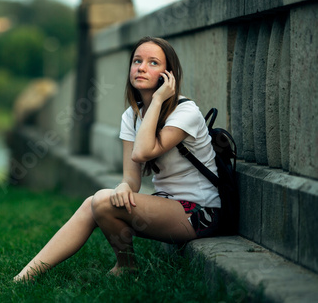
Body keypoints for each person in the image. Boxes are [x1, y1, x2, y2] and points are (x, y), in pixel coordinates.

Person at [13, 36, 221, 281]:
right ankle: (25, 276)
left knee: (102, 200)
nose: (141, 67)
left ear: (168, 75)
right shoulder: (132, 117)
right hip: (168, 205)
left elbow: (143, 152)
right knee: (94, 202)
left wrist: (156, 101)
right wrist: (124, 186)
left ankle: (126, 267)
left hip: (201, 212)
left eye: (153, 63)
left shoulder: (185, 111)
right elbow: (131, 179)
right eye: (137, 61)